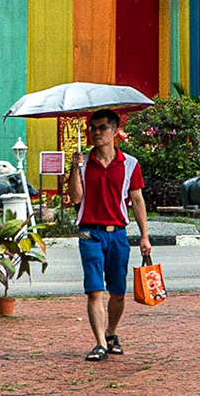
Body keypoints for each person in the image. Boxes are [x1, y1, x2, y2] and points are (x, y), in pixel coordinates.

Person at [61, 109, 152, 362]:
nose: (97, 133)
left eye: (102, 128)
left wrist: (144, 235)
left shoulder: (130, 163)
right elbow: (76, 198)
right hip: (90, 232)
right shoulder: (84, 163)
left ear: (114, 131)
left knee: (118, 291)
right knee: (94, 290)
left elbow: (136, 199)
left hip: (118, 234)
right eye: (93, 128)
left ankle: (111, 333)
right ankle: (100, 343)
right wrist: (75, 168)